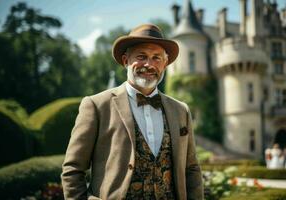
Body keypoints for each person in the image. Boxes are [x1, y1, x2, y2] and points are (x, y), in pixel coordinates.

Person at [61, 24, 204, 200]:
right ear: (125, 60)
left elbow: (191, 169)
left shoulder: (181, 110)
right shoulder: (96, 106)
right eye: (141, 56)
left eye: (156, 58)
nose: (149, 64)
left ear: (165, 63)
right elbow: (73, 169)